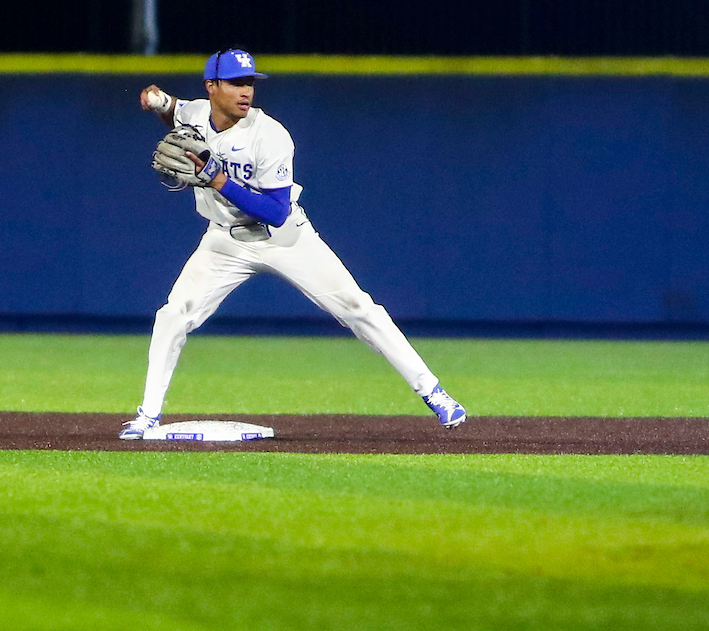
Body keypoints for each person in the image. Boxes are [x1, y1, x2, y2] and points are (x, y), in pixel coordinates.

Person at [120, 49, 466, 439]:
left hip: (286, 238)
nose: (245, 91)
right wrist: (158, 102)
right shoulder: (198, 113)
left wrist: (219, 181)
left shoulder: (270, 136)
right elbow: (177, 111)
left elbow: (276, 212)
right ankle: (147, 415)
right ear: (212, 87)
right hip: (223, 242)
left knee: (359, 307)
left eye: (250, 82)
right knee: (173, 314)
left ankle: (434, 393)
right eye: (236, 83)